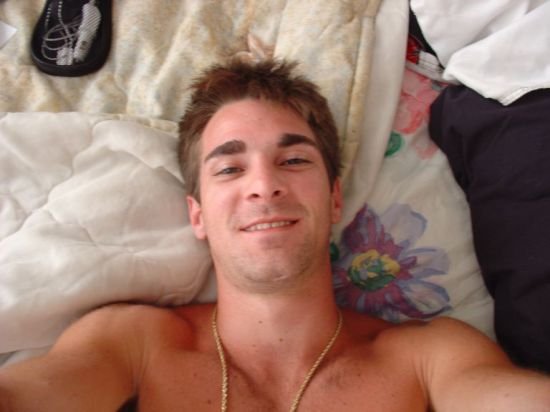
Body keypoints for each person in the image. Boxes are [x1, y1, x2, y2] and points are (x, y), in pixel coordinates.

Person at [1, 59, 549, 412]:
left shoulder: (427, 357)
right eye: (229, 168)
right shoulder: (133, 343)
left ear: (334, 198)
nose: (264, 185)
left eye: (293, 160)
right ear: (197, 214)